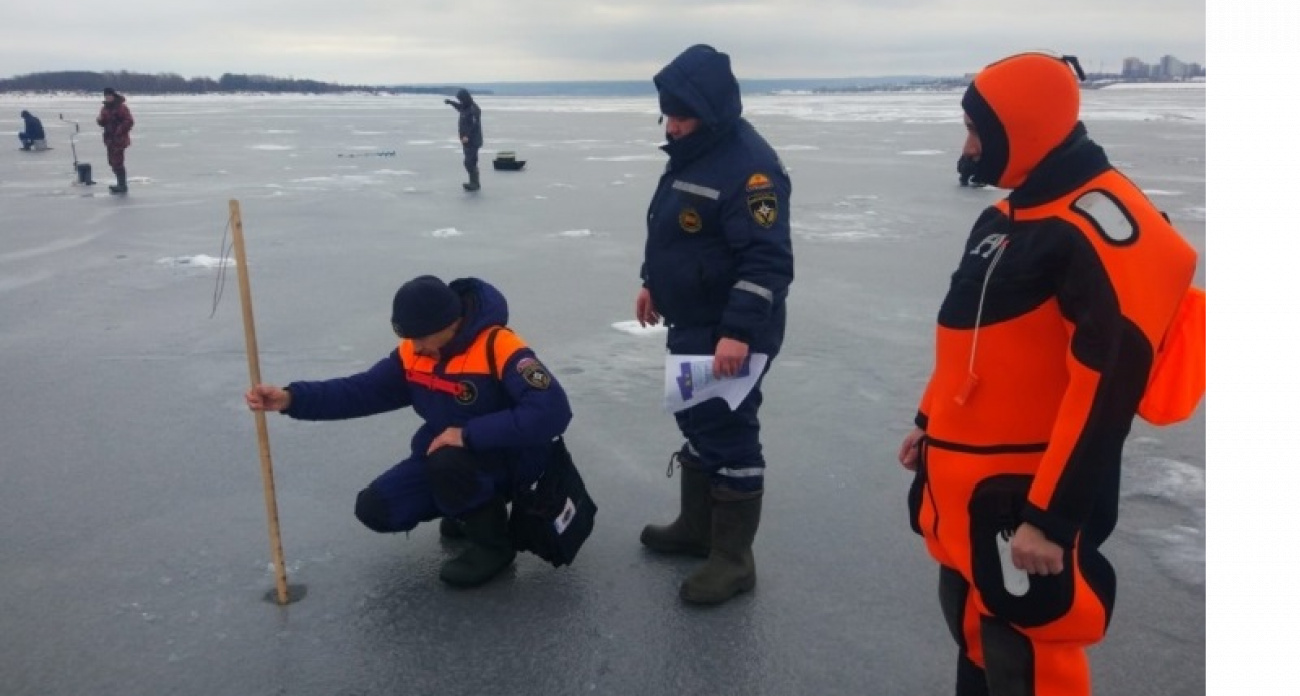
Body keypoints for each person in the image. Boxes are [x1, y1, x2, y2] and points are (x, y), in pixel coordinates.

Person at [897, 52, 1198, 696]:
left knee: (1033, 644)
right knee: (977, 629)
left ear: (1023, 126)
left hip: (1025, 496)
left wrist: (1052, 519)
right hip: (967, 487)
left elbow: (1107, 388)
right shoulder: (1008, 219)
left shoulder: (1096, 225)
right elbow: (968, 343)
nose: (969, 147)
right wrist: (929, 424)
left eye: (979, 131)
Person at [245, 275, 572, 588]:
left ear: (449, 324)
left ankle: (494, 545)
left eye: (419, 338)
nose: (413, 347)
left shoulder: (498, 346)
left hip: (513, 457)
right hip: (452, 459)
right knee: (377, 509)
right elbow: (361, 391)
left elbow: (552, 411)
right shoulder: (413, 353)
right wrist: (291, 398)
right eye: (408, 338)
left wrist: (468, 434)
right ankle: (468, 507)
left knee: (448, 462)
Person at [634, 44, 794, 606]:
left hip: (729, 328)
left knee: (728, 430)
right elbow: (676, 229)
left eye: (681, 115)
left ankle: (733, 559)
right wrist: (652, 279)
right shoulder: (695, 153)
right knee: (699, 418)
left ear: (710, 109)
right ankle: (697, 529)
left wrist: (739, 332)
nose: (672, 126)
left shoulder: (751, 170)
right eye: (668, 115)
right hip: (693, 320)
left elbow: (767, 262)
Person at [96, 88, 134, 194]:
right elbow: (103, 122)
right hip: (109, 139)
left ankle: (122, 185)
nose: (107, 98)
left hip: (119, 139)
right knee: (112, 162)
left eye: (109, 95)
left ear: (113, 95)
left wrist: (119, 130)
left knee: (118, 162)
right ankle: (120, 183)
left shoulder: (121, 107)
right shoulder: (105, 108)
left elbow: (129, 121)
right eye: (106, 96)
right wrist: (99, 120)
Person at [444, 88, 483, 191]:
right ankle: (474, 182)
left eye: (461, 99)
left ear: (465, 98)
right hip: (466, 141)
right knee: (470, 162)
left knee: (469, 162)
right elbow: (459, 107)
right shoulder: (465, 107)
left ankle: (474, 183)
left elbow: (474, 125)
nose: (460, 101)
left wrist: (467, 136)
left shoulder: (473, 109)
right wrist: (450, 102)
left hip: (473, 141)